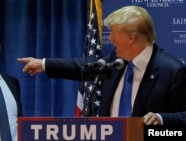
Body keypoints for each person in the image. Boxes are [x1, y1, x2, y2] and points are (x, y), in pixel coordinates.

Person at [17, 5, 186, 125]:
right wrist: (44, 64)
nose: (110, 38)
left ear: (131, 38)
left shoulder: (172, 70)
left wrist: (161, 118)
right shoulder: (116, 61)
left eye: (113, 32)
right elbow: (83, 67)